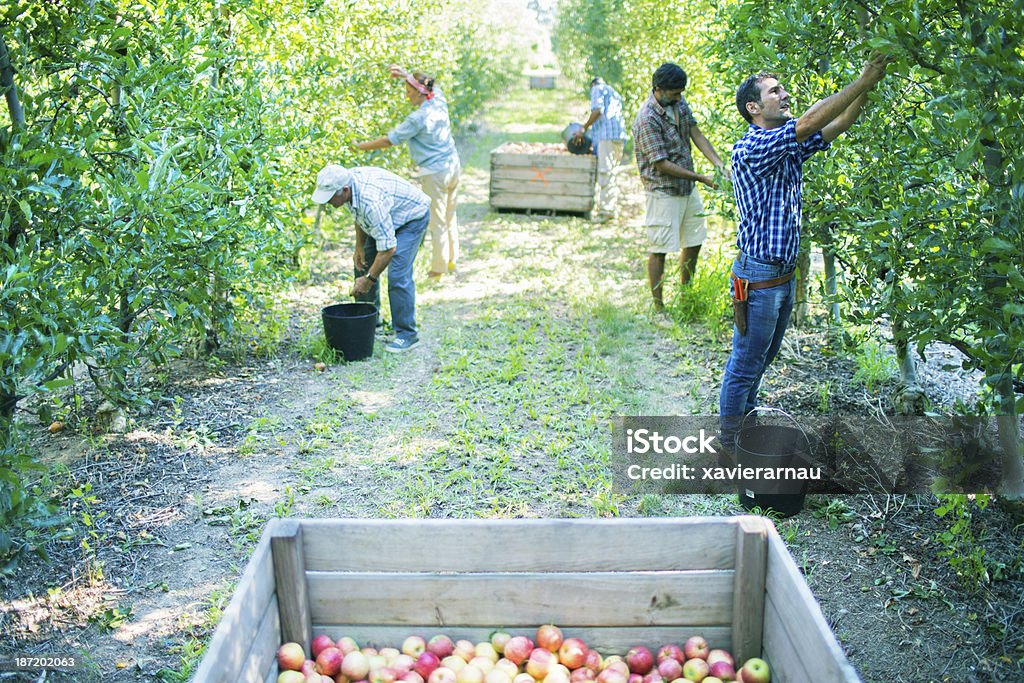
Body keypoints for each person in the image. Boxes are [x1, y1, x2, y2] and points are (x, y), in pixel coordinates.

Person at [718, 54, 892, 447]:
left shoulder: (784, 147)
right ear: (754, 107)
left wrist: (870, 85)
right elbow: (810, 121)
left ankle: (746, 431)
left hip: (779, 277)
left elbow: (839, 122)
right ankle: (729, 446)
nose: (785, 94)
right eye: (774, 91)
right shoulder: (755, 146)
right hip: (759, 279)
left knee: (759, 361)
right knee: (744, 365)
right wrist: (861, 80)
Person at [633, 63, 729, 312]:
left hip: (687, 189)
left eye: (681, 93)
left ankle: (687, 298)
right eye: (674, 93)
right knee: (660, 248)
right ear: (658, 89)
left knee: (694, 241)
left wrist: (718, 164)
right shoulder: (647, 118)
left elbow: (696, 134)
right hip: (663, 191)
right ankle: (659, 308)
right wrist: (700, 177)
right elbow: (661, 163)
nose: (679, 97)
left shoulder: (679, 104)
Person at [353, 65, 461, 280]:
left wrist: (359, 146)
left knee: (437, 220)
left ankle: (438, 270)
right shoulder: (438, 101)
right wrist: (406, 75)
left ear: (420, 92)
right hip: (453, 165)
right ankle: (451, 260)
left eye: (409, 92)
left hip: (434, 171)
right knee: (450, 215)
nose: (407, 96)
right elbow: (432, 86)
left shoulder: (417, 119)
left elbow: (389, 140)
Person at [311, 163, 431, 353]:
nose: (328, 202)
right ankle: (369, 321)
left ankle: (407, 334)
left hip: (411, 218)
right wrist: (359, 246)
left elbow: (388, 248)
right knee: (363, 262)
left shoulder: (370, 200)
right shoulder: (349, 189)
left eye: (331, 197)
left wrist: (369, 280)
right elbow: (359, 215)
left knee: (398, 274)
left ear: (344, 190)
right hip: (387, 217)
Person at [573, 77, 627, 222]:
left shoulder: (597, 89)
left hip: (606, 136)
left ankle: (606, 211)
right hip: (618, 136)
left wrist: (583, 128)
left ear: (592, 85)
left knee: (605, 172)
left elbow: (597, 110)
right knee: (612, 172)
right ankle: (610, 207)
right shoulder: (614, 92)